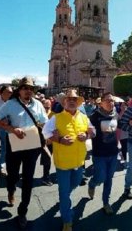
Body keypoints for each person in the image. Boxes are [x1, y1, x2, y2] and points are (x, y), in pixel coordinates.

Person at [0, 76, 48, 229]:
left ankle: (22, 211)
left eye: (31, 89)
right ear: (19, 90)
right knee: (13, 175)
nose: (28, 91)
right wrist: (11, 129)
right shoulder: (10, 104)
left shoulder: (38, 104)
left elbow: (44, 122)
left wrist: (41, 128)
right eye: (25, 88)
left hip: (32, 146)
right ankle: (11, 189)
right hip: (14, 145)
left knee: (28, 179)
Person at [43, 89, 94, 231]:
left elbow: (93, 131)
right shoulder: (56, 117)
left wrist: (87, 135)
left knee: (76, 183)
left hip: (79, 161)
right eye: (69, 99)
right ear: (64, 102)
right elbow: (45, 133)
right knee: (64, 191)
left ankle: (64, 198)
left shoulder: (84, 117)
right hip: (63, 162)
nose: (72, 101)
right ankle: (67, 220)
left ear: (78, 103)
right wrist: (59, 139)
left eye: (74, 99)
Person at [87, 92, 118, 215]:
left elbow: (119, 128)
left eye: (112, 101)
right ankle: (92, 183)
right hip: (99, 154)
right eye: (108, 100)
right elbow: (89, 131)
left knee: (109, 179)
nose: (111, 103)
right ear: (101, 102)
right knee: (100, 177)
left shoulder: (115, 114)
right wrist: (89, 133)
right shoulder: (94, 116)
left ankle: (106, 202)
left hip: (113, 152)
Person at [41, 99, 54, 186]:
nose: (47, 108)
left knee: (47, 159)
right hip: (38, 139)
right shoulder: (39, 114)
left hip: (49, 141)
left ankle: (46, 177)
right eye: (45, 106)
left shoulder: (53, 115)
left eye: (48, 106)